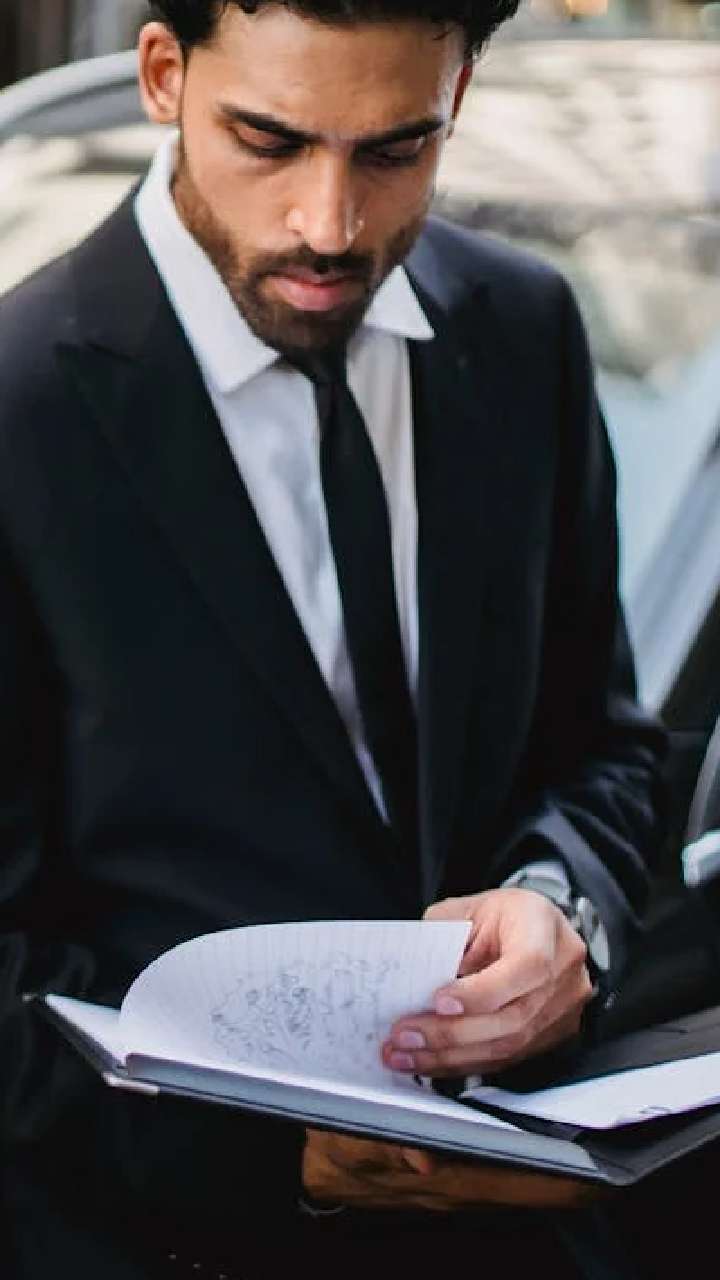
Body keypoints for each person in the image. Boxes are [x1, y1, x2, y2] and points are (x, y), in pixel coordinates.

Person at [0, 3, 666, 1278]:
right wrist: (273, 1163)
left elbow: (606, 746)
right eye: (270, 140)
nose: (330, 224)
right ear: (162, 74)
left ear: (456, 97)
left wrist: (558, 908)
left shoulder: (524, 330)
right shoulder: (18, 409)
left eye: (395, 150)